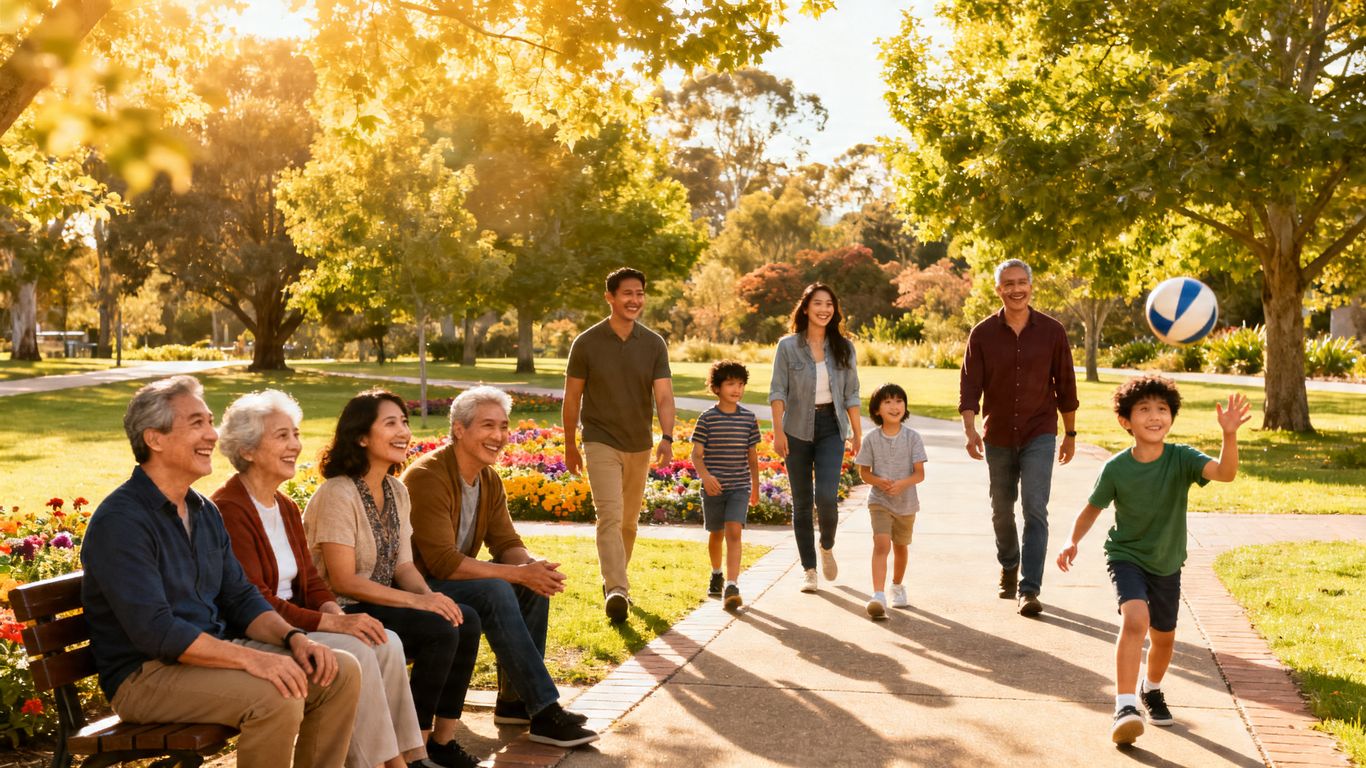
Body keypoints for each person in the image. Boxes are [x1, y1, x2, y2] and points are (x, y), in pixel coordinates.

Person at [81, 376, 361, 768]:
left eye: (210, 422)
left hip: (202, 660)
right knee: (277, 695)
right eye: (196, 423)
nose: (212, 435)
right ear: (155, 439)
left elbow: (240, 597)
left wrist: (295, 639)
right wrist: (252, 660)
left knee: (339, 671)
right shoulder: (122, 521)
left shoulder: (202, 510)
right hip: (145, 676)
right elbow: (157, 631)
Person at [212, 390, 432, 768]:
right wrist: (332, 622)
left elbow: (312, 581)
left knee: (385, 640)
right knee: (358, 652)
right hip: (263, 631)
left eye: (296, 434)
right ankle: (380, 764)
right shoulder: (229, 508)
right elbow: (256, 599)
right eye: (282, 436)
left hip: (298, 621)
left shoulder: (284, 504)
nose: (295, 445)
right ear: (247, 450)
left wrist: (338, 617)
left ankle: (406, 757)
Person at [1056, 376, 1250, 745]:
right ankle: (1125, 706)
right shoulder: (1116, 468)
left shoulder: (1182, 458)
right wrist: (1071, 541)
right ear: (1126, 421)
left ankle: (1152, 688)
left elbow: (1225, 474)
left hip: (1167, 562)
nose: (1154, 415)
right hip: (1126, 556)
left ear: (1171, 417)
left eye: (1162, 408)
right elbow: (1091, 509)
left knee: (1164, 639)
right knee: (1135, 621)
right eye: (1143, 409)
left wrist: (1229, 435)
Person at [403, 386, 599, 748]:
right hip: (417, 587)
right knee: (498, 586)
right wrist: (517, 573)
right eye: (487, 426)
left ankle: (516, 702)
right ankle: (544, 711)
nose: (499, 436)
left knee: (530, 584)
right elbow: (442, 564)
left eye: (504, 427)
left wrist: (531, 566)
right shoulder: (427, 477)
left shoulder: (487, 478)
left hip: (449, 579)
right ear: (459, 429)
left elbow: (506, 543)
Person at [304, 389, 483, 768]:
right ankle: (412, 750)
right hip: (342, 609)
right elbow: (344, 579)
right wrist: (419, 602)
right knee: (439, 629)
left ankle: (442, 742)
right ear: (361, 437)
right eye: (391, 423)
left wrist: (433, 597)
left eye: (404, 421)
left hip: (380, 601)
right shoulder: (338, 493)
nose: (404, 430)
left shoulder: (396, 490)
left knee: (461, 618)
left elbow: (403, 567)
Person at [959, 258, 1079, 616]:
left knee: (1035, 508)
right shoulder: (982, 333)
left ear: (1030, 285)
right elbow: (969, 386)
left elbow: (1066, 386)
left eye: (1021, 282)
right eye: (1008, 284)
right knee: (1001, 508)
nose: (1016, 289)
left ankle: (1030, 588)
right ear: (998, 290)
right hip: (997, 433)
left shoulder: (1052, 331)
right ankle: (1009, 563)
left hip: (1039, 431)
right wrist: (969, 430)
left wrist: (1070, 434)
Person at [562, 267, 675, 622]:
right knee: (609, 516)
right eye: (627, 293)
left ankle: (614, 581)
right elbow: (572, 398)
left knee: (628, 523)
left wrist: (667, 437)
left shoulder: (654, 343)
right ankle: (617, 589)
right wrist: (569, 444)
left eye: (639, 293)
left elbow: (665, 397)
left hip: (639, 442)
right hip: (600, 440)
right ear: (610, 297)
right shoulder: (586, 343)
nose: (634, 300)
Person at [769, 283, 862, 594]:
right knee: (802, 503)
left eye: (829, 304)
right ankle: (809, 569)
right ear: (806, 308)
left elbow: (851, 394)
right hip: (795, 428)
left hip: (831, 428)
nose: (824, 309)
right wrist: (778, 431)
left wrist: (857, 433)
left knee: (826, 496)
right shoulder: (787, 346)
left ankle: (826, 545)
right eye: (818, 303)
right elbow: (778, 391)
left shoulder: (844, 348)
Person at [689, 360, 761, 611]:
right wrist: (706, 477)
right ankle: (717, 573)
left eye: (740, 384)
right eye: (731, 384)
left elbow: (752, 457)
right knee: (716, 534)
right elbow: (696, 455)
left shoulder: (749, 419)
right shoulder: (707, 419)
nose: (737, 389)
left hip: (739, 486)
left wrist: (755, 487)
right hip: (713, 488)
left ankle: (732, 585)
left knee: (734, 532)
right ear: (717, 387)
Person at [854, 383, 927, 620]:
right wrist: (878, 481)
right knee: (881, 544)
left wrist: (901, 484)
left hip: (906, 503)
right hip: (879, 501)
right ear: (877, 410)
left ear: (904, 407)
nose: (894, 406)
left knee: (901, 546)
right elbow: (863, 472)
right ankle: (878, 595)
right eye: (887, 402)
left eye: (898, 401)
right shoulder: (872, 439)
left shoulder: (913, 438)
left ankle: (896, 585)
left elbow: (919, 474)